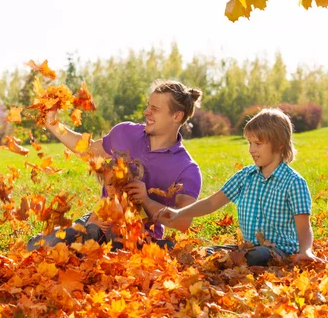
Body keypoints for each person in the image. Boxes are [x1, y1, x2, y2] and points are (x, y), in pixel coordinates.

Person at [27, 80, 203, 251]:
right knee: (37, 245)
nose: (146, 111)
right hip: (99, 222)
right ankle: (88, 241)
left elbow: (182, 222)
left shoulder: (187, 169)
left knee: (115, 245)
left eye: (155, 109)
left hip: (138, 235)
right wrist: (52, 122)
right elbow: (88, 150)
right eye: (148, 106)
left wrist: (146, 201)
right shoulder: (125, 132)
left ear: (177, 116)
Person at [155, 108, 325, 266]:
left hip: (278, 251)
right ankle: (172, 249)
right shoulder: (245, 176)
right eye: (249, 143)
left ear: (279, 144)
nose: (251, 149)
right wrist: (179, 213)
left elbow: (303, 226)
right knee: (209, 253)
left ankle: (231, 260)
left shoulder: (294, 182)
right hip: (246, 249)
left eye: (258, 144)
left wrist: (306, 251)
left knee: (259, 255)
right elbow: (212, 203)